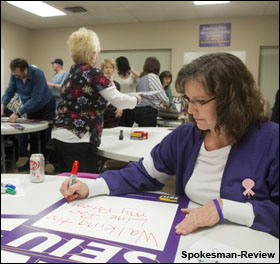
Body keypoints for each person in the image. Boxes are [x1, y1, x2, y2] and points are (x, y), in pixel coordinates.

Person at [60, 52, 279, 238]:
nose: (190, 111)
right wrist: (92, 186)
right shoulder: (186, 136)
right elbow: (142, 173)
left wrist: (224, 208)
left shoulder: (271, 141)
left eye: (199, 101)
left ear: (232, 100)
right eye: (187, 100)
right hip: (189, 242)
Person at [51, 27, 141, 173]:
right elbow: (117, 100)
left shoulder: (71, 75)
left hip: (59, 135)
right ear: (92, 54)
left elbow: (90, 100)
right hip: (79, 137)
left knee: (68, 179)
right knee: (84, 184)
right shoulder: (93, 73)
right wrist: (135, 100)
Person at [1, 58, 56, 170]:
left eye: (17, 74)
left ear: (25, 70)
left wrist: (18, 112)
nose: (15, 77)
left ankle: (43, 164)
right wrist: (2, 106)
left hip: (45, 106)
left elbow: (36, 98)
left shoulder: (38, 74)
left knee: (44, 135)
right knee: (33, 135)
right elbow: (9, 91)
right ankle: (32, 163)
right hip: (30, 107)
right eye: (14, 75)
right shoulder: (15, 75)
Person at [131, 57, 170, 127]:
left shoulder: (141, 78)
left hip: (137, 110)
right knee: (149, 134)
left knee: (141, 134)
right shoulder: (153, 77)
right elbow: (162, 95)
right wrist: (167, 103)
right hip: (148, 112)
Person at [115, 56, 140, 127]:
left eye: (117, 65)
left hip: (131, 104)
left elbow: (141, 77)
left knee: (130, 125)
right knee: (120, 125)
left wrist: (131, 70)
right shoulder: (115, 76)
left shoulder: (132, 75)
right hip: (120, 104)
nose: (116, 67)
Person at [101, 58, 122, 128]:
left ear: (113, 70)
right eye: (106, 67)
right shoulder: (99, 84)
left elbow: (119, 98)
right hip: (102, 114)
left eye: (111, 67)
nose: (108, 70)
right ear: (103, 69)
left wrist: (120, 108)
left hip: (114, 115)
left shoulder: (117, 84)